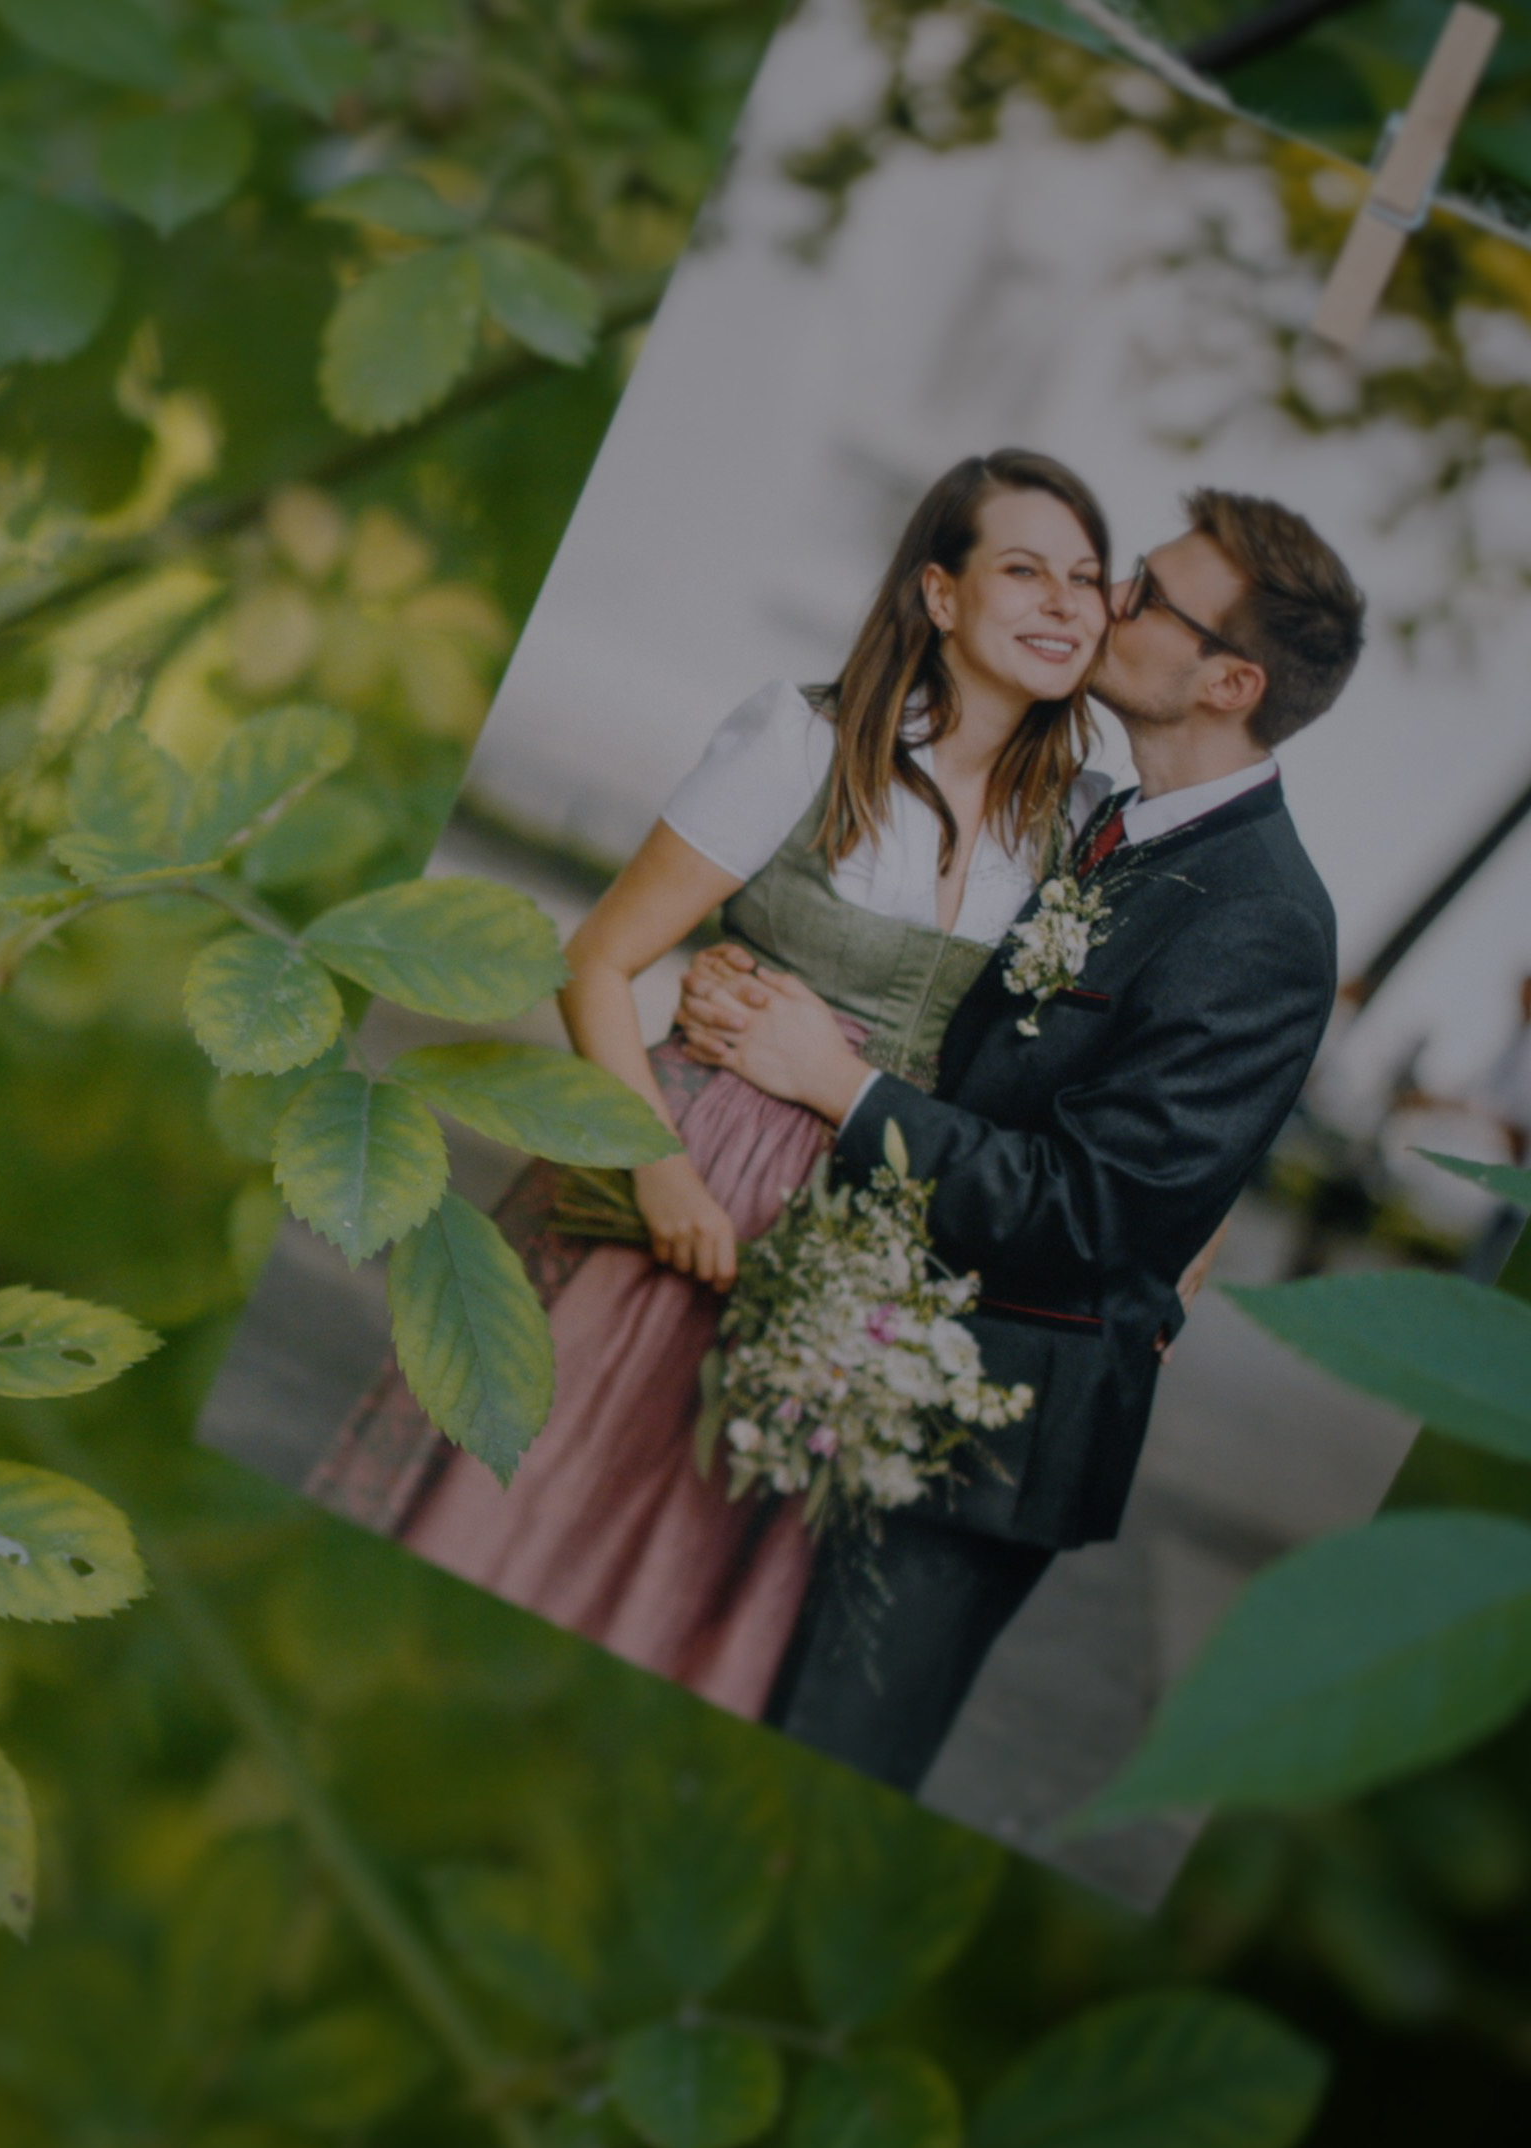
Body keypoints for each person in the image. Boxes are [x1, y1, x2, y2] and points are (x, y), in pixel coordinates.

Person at [307, 448, 1116, 1716]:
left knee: (702, 1560)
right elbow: (599, 960)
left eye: (1088, 578)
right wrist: (664, 1179)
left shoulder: (1073, 828)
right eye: (1026, 570)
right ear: (940, 594)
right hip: (697, 1168)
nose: (1066, 602)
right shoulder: (804, 740)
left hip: (868, 1234)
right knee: (552, 1491)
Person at [677, 489, 1366, 1788]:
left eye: (1144, 594)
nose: (1105, 601)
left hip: (982, 1440)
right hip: (864, 1352)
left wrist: (836, 1085)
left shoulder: (1263, 920)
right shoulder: (1108, 820)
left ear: (1230, 681)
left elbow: (1094, 1215)